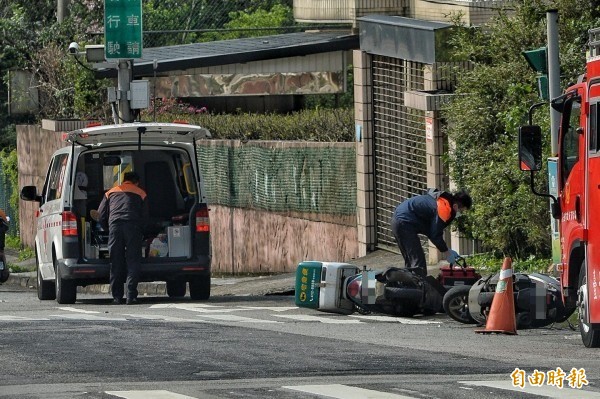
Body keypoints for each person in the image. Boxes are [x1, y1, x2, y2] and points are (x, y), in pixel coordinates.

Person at [390, 188, 472, 279]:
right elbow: (435, 235)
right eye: (461, 211)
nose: (459, 214)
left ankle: (406, 289)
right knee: (418, 264)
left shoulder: (442, 200)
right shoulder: (445, 208)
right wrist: (446, 252)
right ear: (456, 206)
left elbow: (431, 231)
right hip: (404, 222)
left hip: (400, 220)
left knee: (411, 261)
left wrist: (446, 250)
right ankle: (418, 290)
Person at [97, 172, 148, 305]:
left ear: (123, 181)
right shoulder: (141, 193)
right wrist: (144, 232)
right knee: (133, 260)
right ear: (136, 182)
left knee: (116, 261)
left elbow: (101, 215)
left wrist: (107, 229)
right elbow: (146, 217)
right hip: (133, 226)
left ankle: (117, 297)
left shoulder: (110, 193)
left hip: (115, 226)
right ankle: (131, 296)